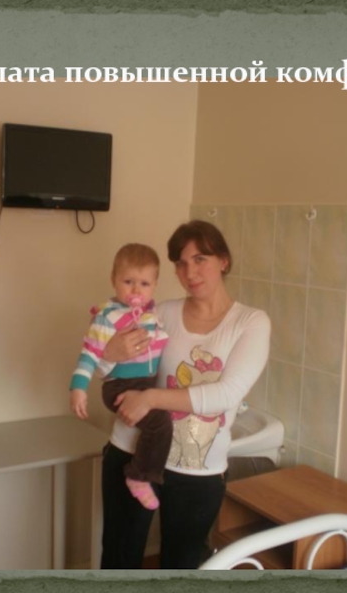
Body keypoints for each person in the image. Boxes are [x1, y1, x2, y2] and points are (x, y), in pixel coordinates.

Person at [98, 220, 271, 569]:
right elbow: (108, 371)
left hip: (197, 471)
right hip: (132, 454)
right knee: (118, 559)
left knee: (182, 566)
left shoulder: (250, 323)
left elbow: (226, 394)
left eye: (200, 259)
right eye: (180, 263)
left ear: (223, 261)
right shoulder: (160, 314)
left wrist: (150, 398)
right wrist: (109, 354)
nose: (190, 272)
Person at [69, 243, 170, 510]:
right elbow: (89, 355)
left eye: (144, 284)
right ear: (114, 280)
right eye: (128, 282)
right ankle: (139, 476)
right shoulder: (107, 318)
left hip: (145, 384)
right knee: (160, 423)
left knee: (156, 423)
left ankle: (141, 470)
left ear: (155, 286)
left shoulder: (151, 314)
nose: (136, 291)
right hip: (119, 385)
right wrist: (78, 388)